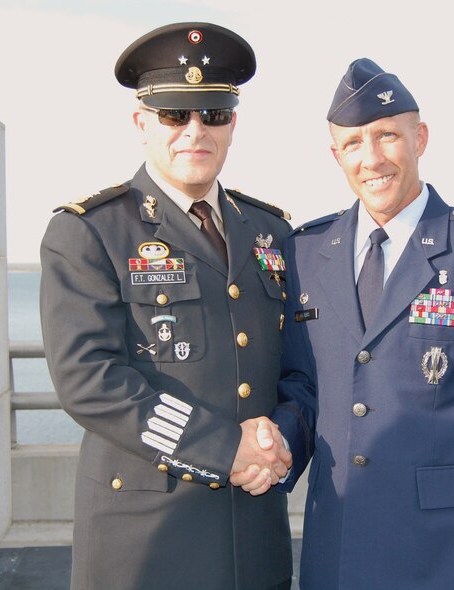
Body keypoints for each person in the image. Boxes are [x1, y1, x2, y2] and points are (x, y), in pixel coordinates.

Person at [264, 58, 454, 589]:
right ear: (336, 155)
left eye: (387, 136)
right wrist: (274, 453)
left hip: (448, 547)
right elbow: (304, 386)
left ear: (420, 138)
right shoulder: (305, 252)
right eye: (353, 143)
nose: (371, 158)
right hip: (339, 538)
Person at [39, 22, 294, 590]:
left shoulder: (271, 231)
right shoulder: (91, 232)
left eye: (214, 114)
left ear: (233, 125)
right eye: (175, 114)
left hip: (254, 532)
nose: (195, 131)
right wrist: (224, 448)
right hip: (146, 541)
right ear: (142, 123)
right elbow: (89, 380)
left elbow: (300, 367)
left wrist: (282, 442)